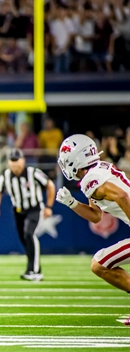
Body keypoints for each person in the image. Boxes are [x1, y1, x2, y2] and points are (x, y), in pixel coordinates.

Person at [55, 135, 130, 321]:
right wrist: (71, 203)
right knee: (100, 262)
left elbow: (121, 196)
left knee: (100, 264)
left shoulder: (91, 179)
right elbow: (95, 215)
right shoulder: (95, 173)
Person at [0, 149, 55, 280]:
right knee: (25, 240)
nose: (15, 167)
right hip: (18, 211)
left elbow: (50, 185)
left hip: (34, 208)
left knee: (29, 234)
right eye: (12, 164)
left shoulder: (33, 173)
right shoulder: (6, 176)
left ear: (23, 161)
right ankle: (31, 268)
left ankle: (36, 271)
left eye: (17, 164)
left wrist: (48, 206)